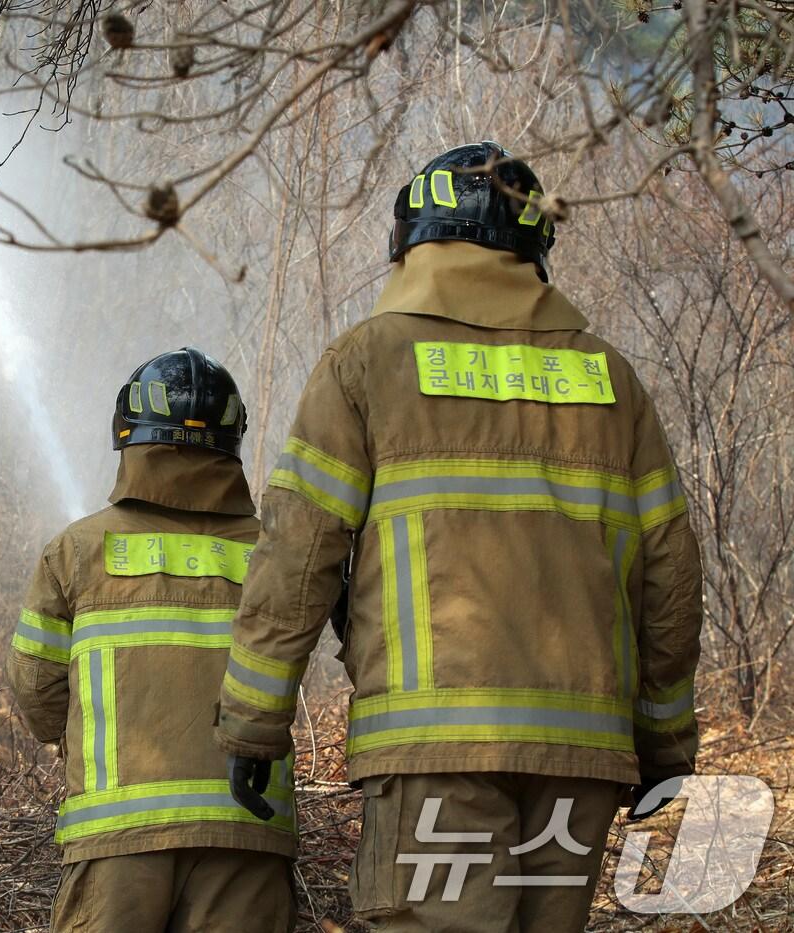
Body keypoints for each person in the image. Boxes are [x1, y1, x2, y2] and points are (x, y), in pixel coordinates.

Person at [215, 142, 703, 932]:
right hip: (580, 760)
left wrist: (253, 720)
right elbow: (670, 578)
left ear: (411, 244)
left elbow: (297, 555)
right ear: (535, 248)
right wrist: (665, 744)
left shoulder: (368, 363)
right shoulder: (612, 380)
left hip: (434, 750)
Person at [7, 347, 297, 933]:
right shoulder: (276, 555)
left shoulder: (76, 551)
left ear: (127, 430)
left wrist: (81, 741)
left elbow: (36, 686)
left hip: (117, 839)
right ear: (232, 438)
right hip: (248, 830)